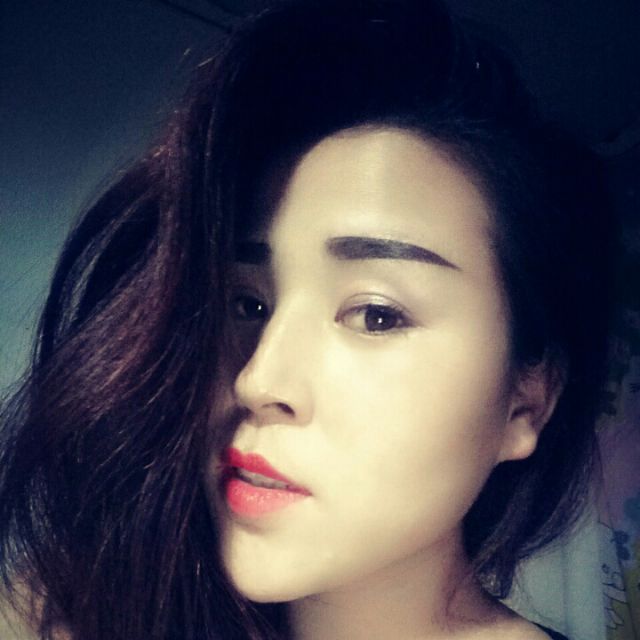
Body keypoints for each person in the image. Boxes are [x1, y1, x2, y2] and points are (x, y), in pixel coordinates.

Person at [0, 0, 612, 638]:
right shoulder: (79, 613)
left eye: (376, 316)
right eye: (249, 305)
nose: (258, 381)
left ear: (526, 404)